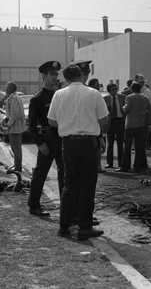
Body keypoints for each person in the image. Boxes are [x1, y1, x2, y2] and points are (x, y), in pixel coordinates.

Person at [48, 64, 109, 240]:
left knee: (69, 185)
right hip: (88, 144)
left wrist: (68, 124)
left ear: (66, 78)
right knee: (87, 186)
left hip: (68, 143)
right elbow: (104, 118)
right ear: (82, 75)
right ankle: (84, 227)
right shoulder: (93, 93)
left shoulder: (58, 94)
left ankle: (64, 226)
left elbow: (52, 121)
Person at [27, 61, 64, 217]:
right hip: (47, 140)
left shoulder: (60, 95)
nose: (55, 77)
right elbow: (32, 126)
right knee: (41, 173)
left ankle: (66, 205)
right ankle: (34, 205)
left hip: (61, 137)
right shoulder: (38, 99)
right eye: (52, 74)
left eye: (56, 74)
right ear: (44, 76)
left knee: (65, 174)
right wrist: (40, 143)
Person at [116, 82, 151, 173]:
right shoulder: (145, 98)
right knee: (139, 147)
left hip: (130, 124)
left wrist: (123, 108)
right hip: (141, 124)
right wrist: (146, 118)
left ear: (132, 89)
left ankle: (125, 166)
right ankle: (138, 166)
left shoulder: (129, 97)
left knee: (127, 146)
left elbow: (127, 109)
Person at [103, 83, 126, 169]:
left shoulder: (123, 97)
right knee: (110, 143)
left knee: (120, 143)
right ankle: (110, 163)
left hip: (120, 121)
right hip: (110, 121)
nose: (115, 91)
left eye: (116, 89)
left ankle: (121, 163)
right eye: (113, 90)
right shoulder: (105, 99)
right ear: (109, 91)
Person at [4, 81, 25, 173]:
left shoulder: (13, 98)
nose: (5, 89)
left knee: (15, 147)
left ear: (11, 88)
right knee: (16, 147)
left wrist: (9, 124)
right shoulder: (15, 97)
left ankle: (17, 167)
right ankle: (16, 164)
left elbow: (14, 113)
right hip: (17, 125)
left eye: (7, 87)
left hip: (14, 126)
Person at [87, 77, 105, 173]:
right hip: (90, 130)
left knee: (98, 149)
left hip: (97, 128)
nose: (97, 87)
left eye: (98, 85)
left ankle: (98, 165)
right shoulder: (90, 96)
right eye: (96, 85)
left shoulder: (98, 96)